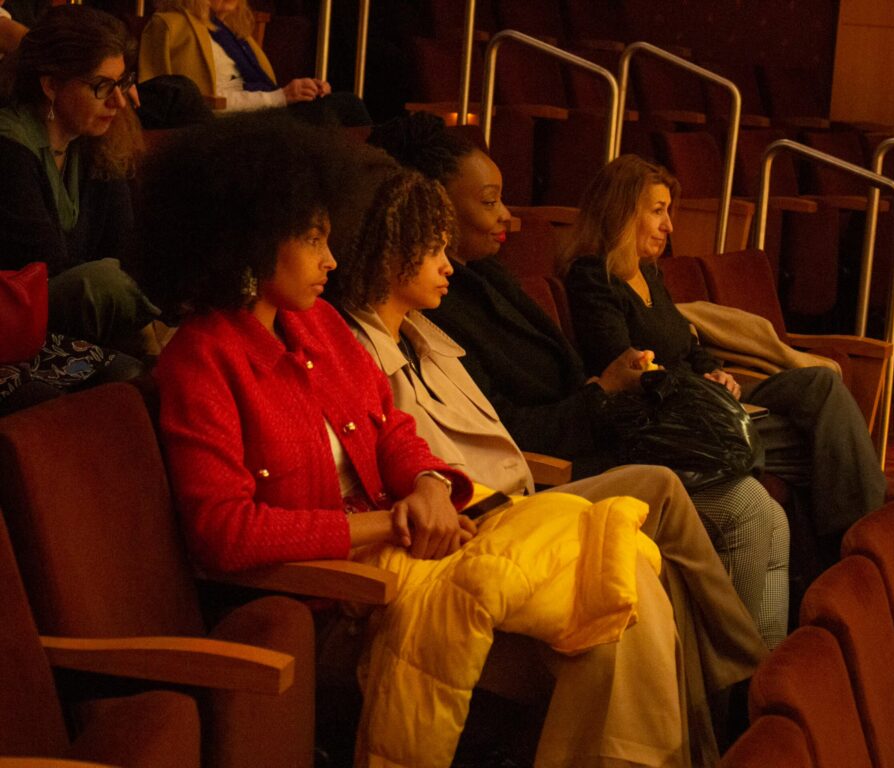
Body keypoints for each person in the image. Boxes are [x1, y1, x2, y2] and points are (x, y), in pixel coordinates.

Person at [139, 112, 695, 768]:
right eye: (314, 240)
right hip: (335, 606)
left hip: (411, 564)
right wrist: (389, 524)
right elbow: (225, 533)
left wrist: (430, 484)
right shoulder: (200, 362)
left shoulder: (316, 324)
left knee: (619, 598)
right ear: (254, 240)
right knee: (604, 637)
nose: (332, 260)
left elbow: (392, 428)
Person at [330, 165, 769, 763]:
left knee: (652, 545)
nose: (450, 266)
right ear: (391, 254)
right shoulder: (357, 352)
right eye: (434, 250)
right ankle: (742, 689)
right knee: (641, 565)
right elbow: (414, 464)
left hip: (522, 495)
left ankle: (727, 704)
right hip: (492, 515)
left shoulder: (428, 336)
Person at [370, 112, 790, 651]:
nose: (508, 217)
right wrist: (604, 391)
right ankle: (747, 682)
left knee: (768, 509)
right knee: (750, 513)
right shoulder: (434, 309)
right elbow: (504, 435)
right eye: (489, 201)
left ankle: (767, 678)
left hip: (601, 441)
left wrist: (616, 388)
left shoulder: (487, 275)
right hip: (557, 470)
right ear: (435, 207)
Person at [561, 154, 887, 548]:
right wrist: (701, 388)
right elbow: (627, 366)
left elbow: (688, 343)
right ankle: (865, 543)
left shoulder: (648, 271)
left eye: (669, 211)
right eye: (658, 211)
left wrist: (716, 373)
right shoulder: (593, 277)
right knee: (822, 445)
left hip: (706, 398)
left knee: (819, 384)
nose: (669, 226)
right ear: (622, 212)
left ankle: (860, 539)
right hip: (671, 419)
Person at [0, 5, 158, 352]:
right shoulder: (9, 148)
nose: (118, 101)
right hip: (23, 314)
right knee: (103, 285)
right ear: (52, 85)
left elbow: (124, 243)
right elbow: (45, 268)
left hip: (81, 309)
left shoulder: (95, 140)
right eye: (102, 86)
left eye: (121, 84)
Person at [138, 0, 368, 125]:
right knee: (341, 110)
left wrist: (304, 91)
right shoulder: (170, 26)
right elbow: (169, 102)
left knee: (344, 103)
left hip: (264, 116)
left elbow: (268, 88)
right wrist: (281, 97)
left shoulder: (236, 34)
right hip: (228, 126)